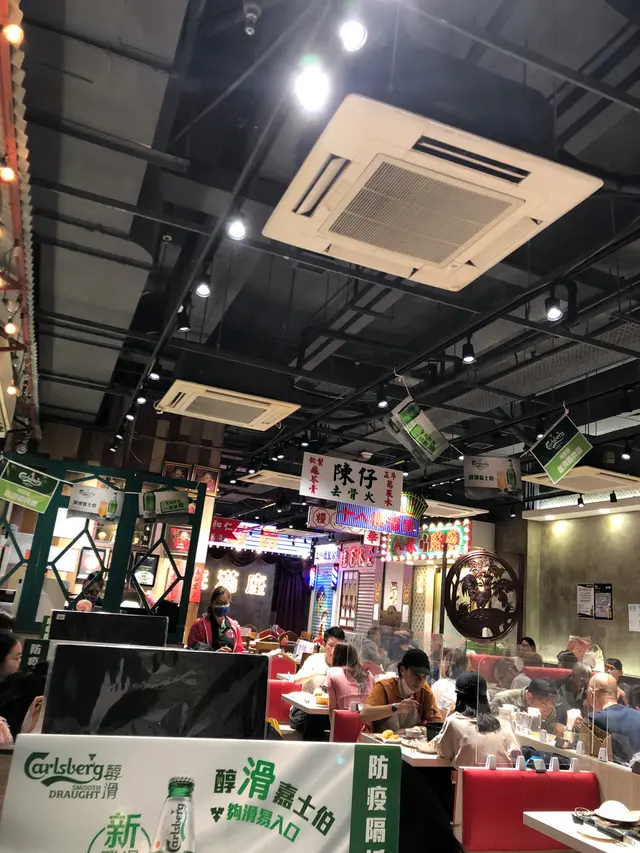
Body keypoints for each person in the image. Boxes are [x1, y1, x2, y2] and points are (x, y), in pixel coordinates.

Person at [430, 673, 521, 768]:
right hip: (505, 777)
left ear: (459, 697)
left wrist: (449, 716)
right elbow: (516, 754)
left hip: (466, 778)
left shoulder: (454, 722)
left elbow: (443, 751)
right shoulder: (504, 724)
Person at [361, 648, 442, 733]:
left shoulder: (425, 691)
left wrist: (412, 730)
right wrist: (396, 708)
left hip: (410, 740)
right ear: (402, 670)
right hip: (378, 739)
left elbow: (437, 724)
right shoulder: (385, 687)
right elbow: (364, 714)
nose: (419, 681)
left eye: (424, 676)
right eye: (415, 674)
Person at [588, 673, 640, 765]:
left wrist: (570, 727)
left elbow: (575, 759)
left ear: (591, 694)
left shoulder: (593, 719)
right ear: (618, 694)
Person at [491, 678, 562, 736]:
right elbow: (491, 731)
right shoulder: (502, 700)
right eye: (544, 704)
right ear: (529, 697)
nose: (548, 710)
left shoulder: (550, 710)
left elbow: (548, 738)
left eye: (552, 704)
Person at [186, 586, 244, 652]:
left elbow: (239, 651)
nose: (222, 606)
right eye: (219, 603)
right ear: (211, 603)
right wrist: (215, 654)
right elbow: (192, 650)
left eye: (225, 603)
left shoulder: (234, 626)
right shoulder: (199, 625)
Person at [291, 626, 345, 692]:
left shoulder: (345, 665)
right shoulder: (314, 659)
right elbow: (296, 681)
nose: (334, 650)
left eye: (338, 647)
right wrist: (317, 673)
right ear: (324, 645)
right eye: (331, 645)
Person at [326, 642, 375, 713]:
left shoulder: (332, 672)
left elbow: (332, 708)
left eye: (332, 655)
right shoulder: (369, 674)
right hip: (368, 718)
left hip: (346, 718)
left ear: (336, 657)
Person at [431, 647, 468, 712]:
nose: (442, 664)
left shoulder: (439, 685)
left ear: (448, 666)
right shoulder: (472, 686)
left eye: (444, 661)